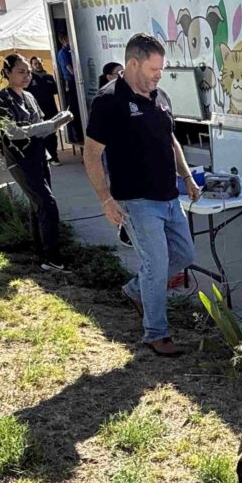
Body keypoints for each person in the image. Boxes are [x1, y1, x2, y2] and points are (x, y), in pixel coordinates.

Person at [85, 32, 200, 358]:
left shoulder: (160, 96)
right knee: (156, 261)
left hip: (168, 196)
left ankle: (136, 290)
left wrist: (186, 175)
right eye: (153, 69)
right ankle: (155, 334)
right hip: (136, 200)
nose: (158, 76)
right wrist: (105, 200)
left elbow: (171, 140)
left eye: (160, 70)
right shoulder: (109, 101)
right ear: (133, 63)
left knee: (184, 256)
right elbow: (92, 154)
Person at [0, 54, 73, 271]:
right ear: (7, 73)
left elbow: (38, 124)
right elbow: (14, 133)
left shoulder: (29, 96)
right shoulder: (1, 100)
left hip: (39, 156)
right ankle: (52, 256)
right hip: (21, 160)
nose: (26, 75)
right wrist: (51, 125)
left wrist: (55, 123)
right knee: (47, 203)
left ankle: (43, 254)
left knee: (38, 206)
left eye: (28, 71)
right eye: (21, 71)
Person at [27, 57, 62, 166]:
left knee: (52, 134)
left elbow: (56, 91)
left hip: (51, 110)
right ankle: (44, 157)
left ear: (42, 63)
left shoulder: (49, 77)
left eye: (39, 63)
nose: (37, 65)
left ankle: (54, 157)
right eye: (35, 63)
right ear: (32, 65)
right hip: (37, 112)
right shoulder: (30, 78)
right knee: (41, 135)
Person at [56, 33, 83, 144]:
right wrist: (79, 77)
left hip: (75, 81)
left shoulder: (72, 51)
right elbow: (70, 69)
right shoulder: (63, 53)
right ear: (63, 40)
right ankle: (77, 135)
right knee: (75, 108)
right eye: (68, 39)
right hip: (72, 82)